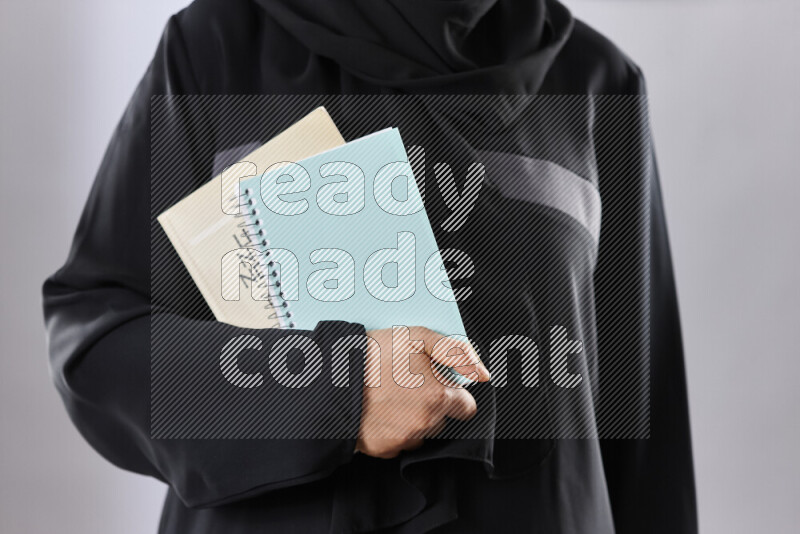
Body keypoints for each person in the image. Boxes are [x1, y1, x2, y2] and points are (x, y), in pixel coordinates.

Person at [42, 1, 697, 532]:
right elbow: (98, 339)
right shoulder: (218, 46)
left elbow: (642, 421)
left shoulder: (597, 81)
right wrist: (336, 392)